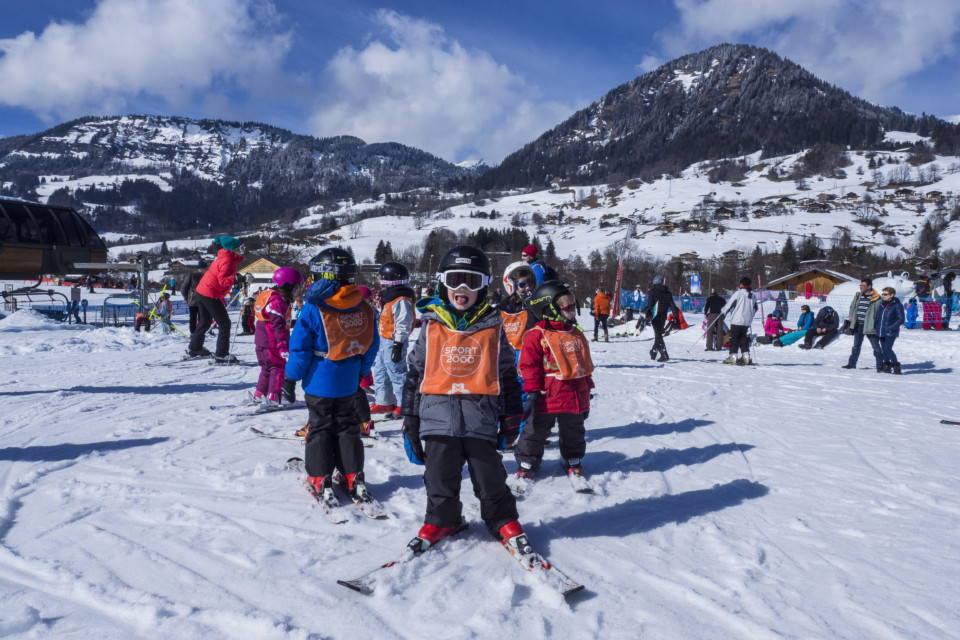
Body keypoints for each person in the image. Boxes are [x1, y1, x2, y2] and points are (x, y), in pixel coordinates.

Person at [399, 245, 528, 555]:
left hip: (480, 417)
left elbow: (508, 375)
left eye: (472, 281)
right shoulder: (431, 325)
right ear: (443, 282)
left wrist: (512, 417)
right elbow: (416, 374)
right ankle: (443, 519)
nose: (463, 289)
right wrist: (411, 419)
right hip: (436, 416)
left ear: (483, 285)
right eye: (455, 280)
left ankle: (501, 519)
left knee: (490, 476)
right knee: (438, 475)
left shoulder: (494, 326)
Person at [286, 247, 378, 506]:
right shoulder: (364, 306)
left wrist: (290, 378)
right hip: (348, 381)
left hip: (320, 381)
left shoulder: (314, 308)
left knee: (321, 427)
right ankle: (352, 476)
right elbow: (372, 345)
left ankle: (319, 477)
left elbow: (300, 349)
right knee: (348, 427)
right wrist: (360, 372)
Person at [515, 280, 594, 484]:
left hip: (574, 396)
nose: (572, 311)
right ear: (550, 309)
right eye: (567, 307)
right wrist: (532, 392)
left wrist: (586, 396)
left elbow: (584, 367)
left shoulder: (576, 334)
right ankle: (527, 462)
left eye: (573, 306)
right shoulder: (536, 335)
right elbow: (529, 366)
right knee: (534, 432)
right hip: (546, 397)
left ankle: (572, 459)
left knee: (574, 431)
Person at [251, 267, 303, 409]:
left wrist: (295, 323)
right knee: (278, 367)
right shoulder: (278, 302)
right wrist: (283, 346)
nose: (296, 291)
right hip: (271, 342)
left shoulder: (272, 297)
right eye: (295, 287)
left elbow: (279, 321)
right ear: (287, 286)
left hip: (262, 341)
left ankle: (260, 393)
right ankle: (275, 396)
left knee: (267, 368)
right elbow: (277, 325)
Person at [187, 236, 244, 362]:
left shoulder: (225, 257)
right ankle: (221, 354)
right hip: (210, 293)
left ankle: (195, 348)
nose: (242, 250)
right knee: (224, 323)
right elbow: (223, 280)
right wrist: (236, 279)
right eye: (241, 248)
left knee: (205, 321)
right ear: (233, 249)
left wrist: (236, 277)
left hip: (203, 291)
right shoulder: (227, 261)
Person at [369, 261, 416, 416]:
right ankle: (384, 401)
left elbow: (404, 323)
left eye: (381, 278)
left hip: (394, 342)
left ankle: (404, 404)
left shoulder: (401, 300)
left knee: (397, 372)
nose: (379, 281)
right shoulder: (389, 297)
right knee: (380, 372)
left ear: (390, 279)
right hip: (384, 341)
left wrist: (398, 344)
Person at [842, 278, 883, 370]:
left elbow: (880, 312)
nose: (860, 287)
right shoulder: (858, 296)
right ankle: (851, 364)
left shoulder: (877, 298)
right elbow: (852, 306)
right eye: (860, 285)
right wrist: (851, 315)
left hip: (870, 326)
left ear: (869, 286)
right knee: (856, 346)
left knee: (876, 347)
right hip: (858, 325)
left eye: (863, 286)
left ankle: (880, 366)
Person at [500, 261, 538, 355]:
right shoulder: (504, 307)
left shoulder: (536, 305)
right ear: (511, 285)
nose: (528, 288)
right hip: (508, 354)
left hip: (528, 353)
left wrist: (532, 307)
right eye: (522, 285)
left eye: (530, 284)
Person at [720, 277, 759, 365]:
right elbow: (756, 308)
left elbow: (730, 304)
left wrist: (723, 311)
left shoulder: (738, 293)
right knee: (743, 338)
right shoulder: (752, 295)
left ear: (741, 285)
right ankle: (746, 356)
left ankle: (733, 356)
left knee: (734, 338)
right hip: (746, 321)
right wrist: (750, 315)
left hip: (737, 320)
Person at [644, 276, 680, 362]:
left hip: (655, 316)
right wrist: (676, 317)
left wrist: (646, 313)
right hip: (663, 316)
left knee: (658, 335)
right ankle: (653, 352)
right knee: (658, 334)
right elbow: (673, 306)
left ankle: (664, 355)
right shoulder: (668, 293)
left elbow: (650, 305)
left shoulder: (653, 291)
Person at [875, 287, 905, 374]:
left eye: (885, 294)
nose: (883, 296)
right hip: (881, 330)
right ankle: (887, 366)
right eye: (883, 294)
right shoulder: (882, 304)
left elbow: (901, 319)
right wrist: (876, 326)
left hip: (891, 332)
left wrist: (890, 327)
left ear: (892, 295)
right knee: (883, 349)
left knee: (888, 349)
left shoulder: (897, 305)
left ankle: (896, 366)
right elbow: (878, 317)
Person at [180, 260, 208, 334]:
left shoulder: (207, 276)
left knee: (202, 318)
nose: (206, 270)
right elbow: (183, 288)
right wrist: (186, 298)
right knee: (193, 318)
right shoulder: (192, 275)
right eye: (205, 268)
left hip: (204, 301)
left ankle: (201, 333)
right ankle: (193, 333)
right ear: (200, 268)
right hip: (193, 301)